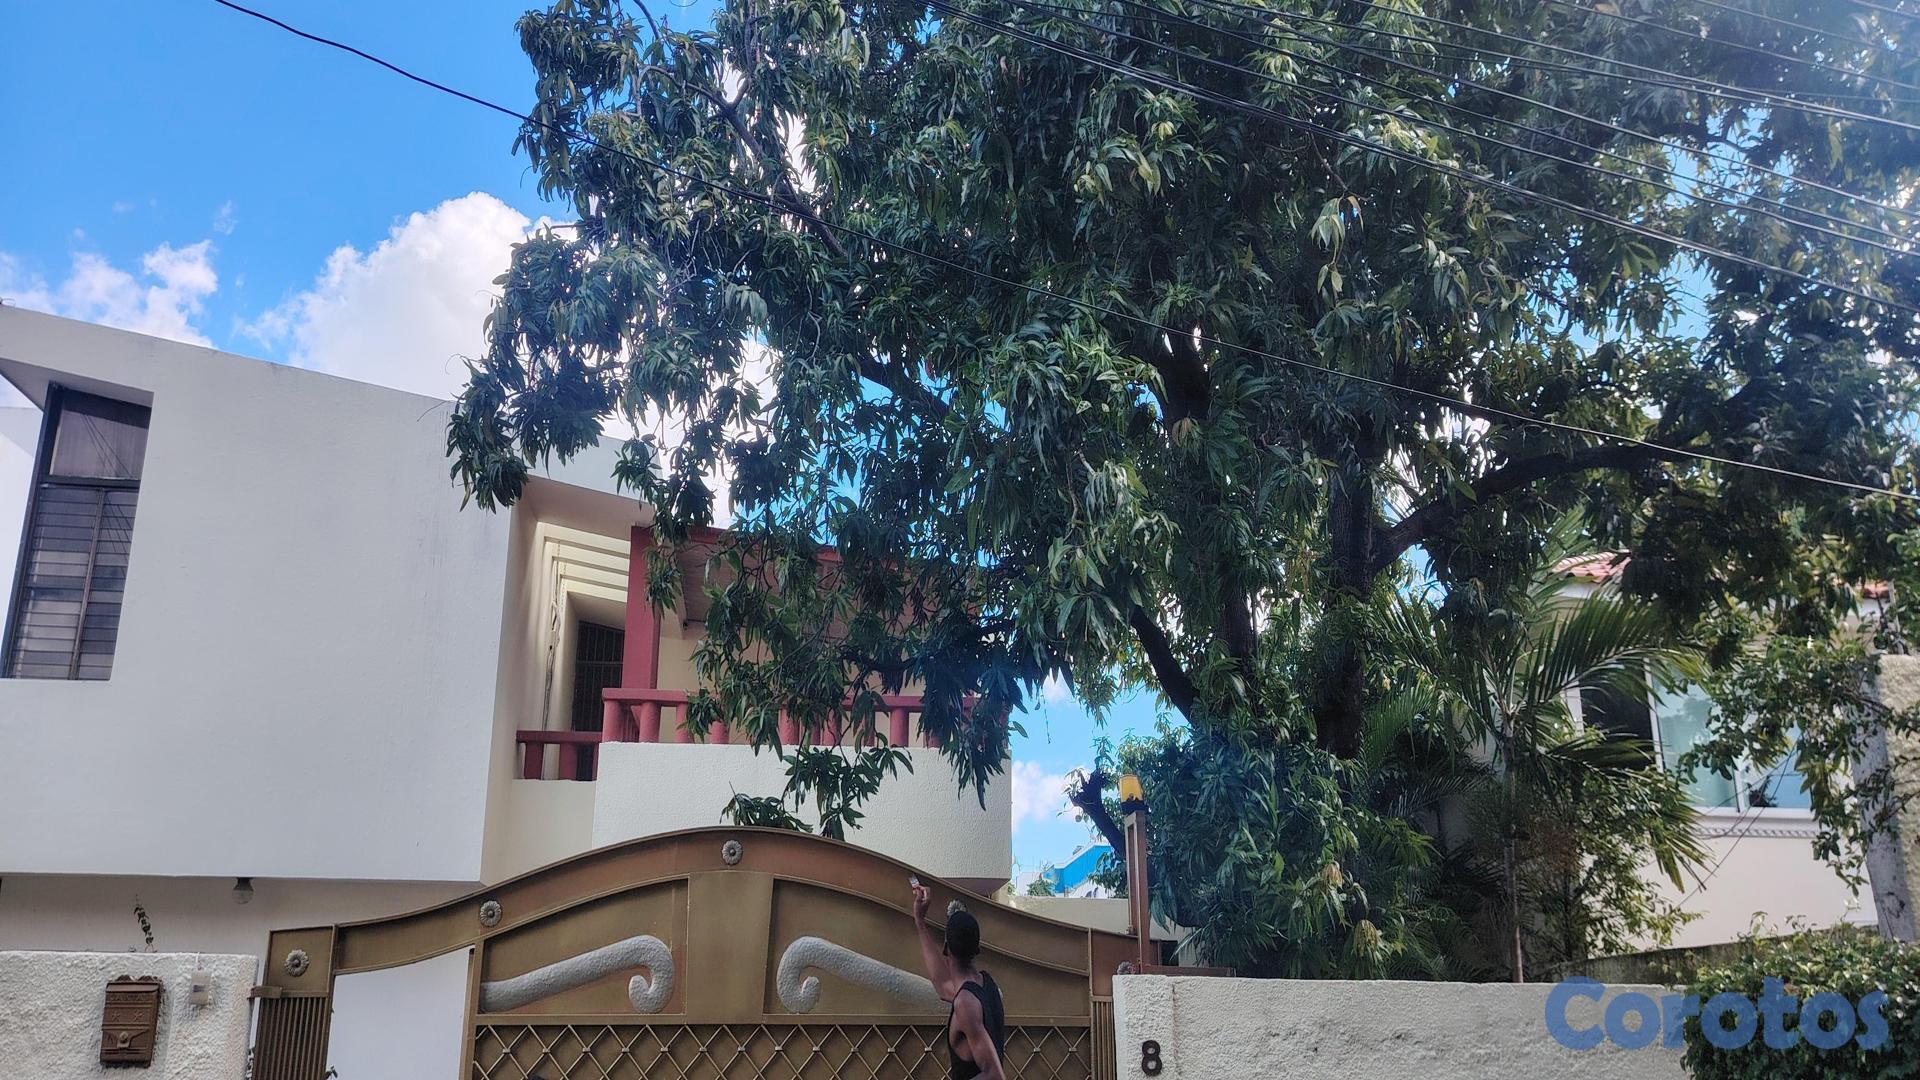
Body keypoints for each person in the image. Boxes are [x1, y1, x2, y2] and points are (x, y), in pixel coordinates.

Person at [912, 882, 1007, 1080]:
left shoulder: (966, 1002)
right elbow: (942, 985)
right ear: (977, 949)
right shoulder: (985, 985)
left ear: (947, 948)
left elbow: (995, 1075)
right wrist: (920, 921)